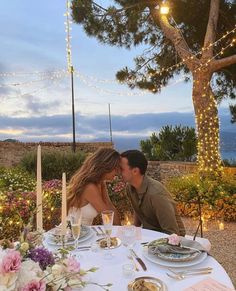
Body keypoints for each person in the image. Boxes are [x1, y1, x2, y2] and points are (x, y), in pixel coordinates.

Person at [120, 150, 185, 236]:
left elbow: (172, 232)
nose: (118, 172)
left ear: (135, 171)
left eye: (121, 169)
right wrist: (134, 231)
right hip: (150, 234)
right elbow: (138, 209)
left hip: (169, 239)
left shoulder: (156, 194)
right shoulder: (130, 188)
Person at [67, 147, 121, 225]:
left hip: (84, 234)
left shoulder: (100, 183)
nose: (117, 173)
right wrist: (120, 231)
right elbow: (107, 217)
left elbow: (109, 206)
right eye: (116, 169)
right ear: (106, 167)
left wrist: (120, 229)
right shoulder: (89, 187)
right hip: (73, 233)